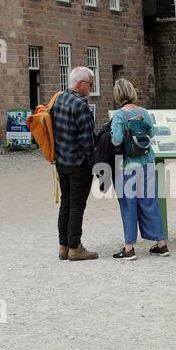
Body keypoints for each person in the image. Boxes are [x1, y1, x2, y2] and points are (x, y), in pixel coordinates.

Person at [109, 78, 170, 260]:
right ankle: (161, 244)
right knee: (150, 202)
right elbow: (151, 134)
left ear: (118, 95)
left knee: (129, 206)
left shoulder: (119, 115)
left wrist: (110, 136)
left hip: (128, 165)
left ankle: (129, 248)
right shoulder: (144, 112)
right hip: (147, 163)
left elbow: (117, 140)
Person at [52, 68, 101, 261]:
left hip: (61, 161)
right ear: (80, 84)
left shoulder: (59, 99)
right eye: (90, 83)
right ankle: (75, 247)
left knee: (66, 203)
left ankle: (63, 246)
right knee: (77, 205)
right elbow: (87, 139)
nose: (91, 87)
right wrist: (92, 162)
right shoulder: (81, 105)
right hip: (78, 163)